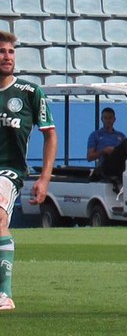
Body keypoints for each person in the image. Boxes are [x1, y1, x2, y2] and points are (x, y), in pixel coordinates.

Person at [0, 31, 57, 311]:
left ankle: (4, 294)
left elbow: (50, 134)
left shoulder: (31, 93)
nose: (7, 57)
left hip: (7, 171)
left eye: (10, 52)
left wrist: (44, 178)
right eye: (1, 51)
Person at [86, 107, 127, 189]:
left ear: (114, 119)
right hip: (105, 165)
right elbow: (89, 157)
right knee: (126, 143)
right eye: (105, 118)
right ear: (102, 119)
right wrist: (104, 151)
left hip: (120, 164)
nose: (108, 120)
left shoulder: (120, 135)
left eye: (110, 118)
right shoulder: (95, 135)